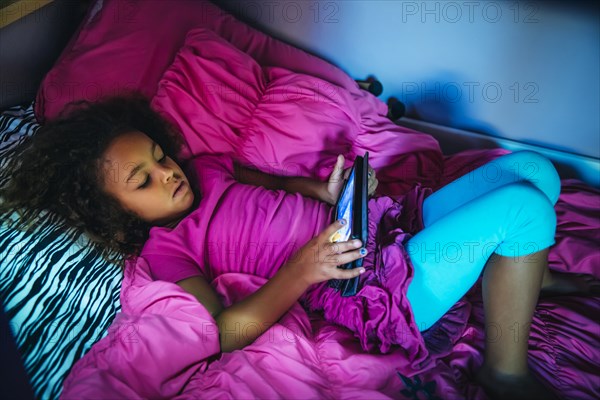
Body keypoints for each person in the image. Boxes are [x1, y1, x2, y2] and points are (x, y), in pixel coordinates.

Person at [1, 95, 597, 400]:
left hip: (386, 227)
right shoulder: (168, 247)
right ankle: (504, 369)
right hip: (370, 284)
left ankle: (521, 272)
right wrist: (302, 272)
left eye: (159, 157)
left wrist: (326, 189)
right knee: (525, 207)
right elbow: (226, 330)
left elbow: (277, 186)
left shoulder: (207, 166)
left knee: (531, 171)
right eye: (145, 181)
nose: (168, 174)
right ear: (116, 213)